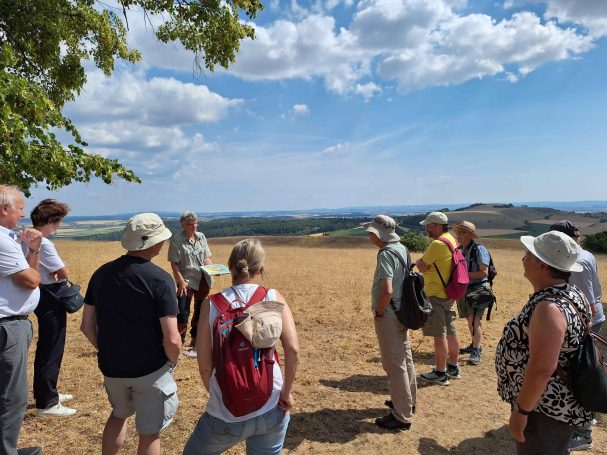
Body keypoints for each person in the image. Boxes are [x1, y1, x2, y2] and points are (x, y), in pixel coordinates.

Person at [183, 239, 299, 455]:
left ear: (230, 266)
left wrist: (221, 394)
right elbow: (292, 350)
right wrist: (286, 393)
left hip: (224, 414)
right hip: (272, 406)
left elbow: (205, 366)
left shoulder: (211, 304)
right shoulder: (272, 297)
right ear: (260, 269)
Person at [81, 213, 181, 455]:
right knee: (149, 433)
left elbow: (86, 326)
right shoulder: (161, 279)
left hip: (112, 367)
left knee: (118, 415)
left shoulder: (101, 273)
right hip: (151, 369)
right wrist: (171, 362)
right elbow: (172, 338)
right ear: (153, 243)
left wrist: (107, 350)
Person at [495, 231, 592, 454]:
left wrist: (522, 412)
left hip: (545, 409)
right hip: (549, 405)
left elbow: (542, 369)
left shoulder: (549, 308)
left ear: (543, 265)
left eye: (528, 255)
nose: (523, 259)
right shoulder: (571, 293)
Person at [549, 220, 604, 451]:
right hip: (588, 319)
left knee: (580, 375)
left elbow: (588, 302)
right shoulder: (586, 254)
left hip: (585, 322)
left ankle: (583, 433)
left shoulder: (575, 261)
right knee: (583, 373)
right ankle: (585, 420)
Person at [0, 184, 43, 455]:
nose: (23, 214)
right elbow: (31, 280)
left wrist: (32, 251)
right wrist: (34, 252)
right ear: (5, 209)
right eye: (20, 208)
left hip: (10, 324)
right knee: (12, 396)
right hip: (7, 326)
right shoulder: (3, 241)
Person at [364, 215, 416, 431]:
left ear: (378, 234)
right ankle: (408, 403)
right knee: (406, 359)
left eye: (371, 233)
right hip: (403, 313)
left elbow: (387, 289)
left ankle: (401, 416)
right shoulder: (402, 248)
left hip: (390, 316)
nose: (370, 236)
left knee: (394, 365)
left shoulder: (386, 254)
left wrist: (379, 311)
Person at [26, 199, 76, 417]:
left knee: (48, 345)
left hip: (40, 294)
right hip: (51, 296)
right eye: (59, 220)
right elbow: (64, 272)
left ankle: (48, 392)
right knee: (52, 347)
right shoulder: (44, 243)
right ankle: (47, 402)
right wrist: (61, 269)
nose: (60, 225)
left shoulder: (26, 237)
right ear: (51, 220)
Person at [415, 211, 460, 385]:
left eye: (429, 226)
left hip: (436, 294)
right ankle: (453, 367)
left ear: (439, 227)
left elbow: (421, 266)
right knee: (451, 330)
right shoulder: (451, 239)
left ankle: (441, 373)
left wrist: (422, 264)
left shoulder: (437, 244)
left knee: (439, 334)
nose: (427, 229)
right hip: (449, 292)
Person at [167, 211, 212, 358]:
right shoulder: (176, 240)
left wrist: (214, 269)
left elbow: (206, 258)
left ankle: (195, 342)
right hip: (186, 281)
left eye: (195, 223)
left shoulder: (201, 237)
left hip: (203, 279)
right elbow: (174, 264)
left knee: (200, 311)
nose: (194, 226)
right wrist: (180, 281)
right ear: (183, 225)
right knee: (182, 312)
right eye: (190, 224)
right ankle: (178, 344)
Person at [453, 221, 492, 366]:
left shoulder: (479, 249)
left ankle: (476, 350)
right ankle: (474, 344)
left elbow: (484, 273)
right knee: (470, 319)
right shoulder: (459, 249)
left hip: (478, 290)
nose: (459, 235)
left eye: (463, 232)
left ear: (470, 235)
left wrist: (462, 275)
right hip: (465, 289)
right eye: (458, 232)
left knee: (474, 320)